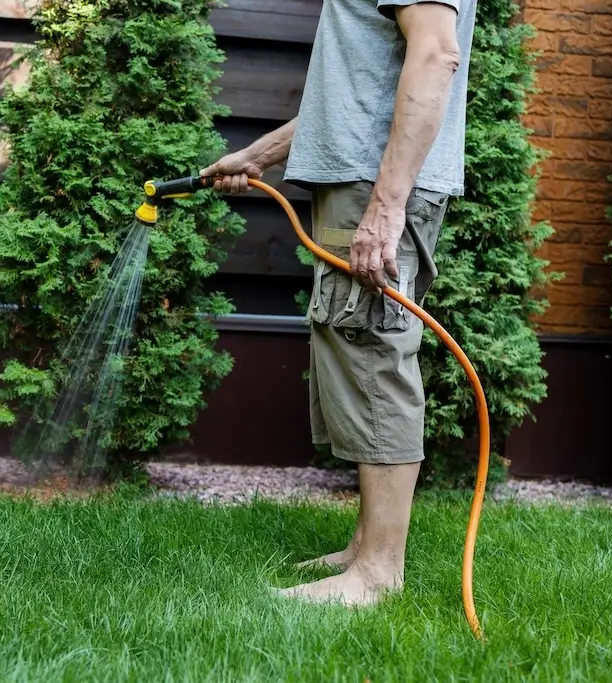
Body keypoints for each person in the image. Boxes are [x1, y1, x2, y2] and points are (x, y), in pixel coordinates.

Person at [200, 0, 477, 606]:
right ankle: (364, 547)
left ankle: (379, 573)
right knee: (354, 344)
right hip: (362, 177)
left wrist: (386, 205)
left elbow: (435, 56)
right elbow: (355, 93)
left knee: (372, 346)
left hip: (377, 183)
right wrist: (260, 155)